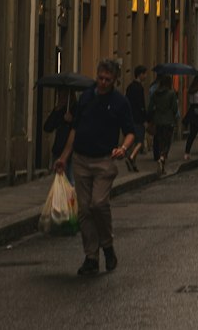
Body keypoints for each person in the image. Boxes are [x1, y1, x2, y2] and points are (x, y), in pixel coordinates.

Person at [55, 58, 135, 276]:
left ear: (115, 80)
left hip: (104, 161)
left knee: (98, 203)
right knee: (84, 210)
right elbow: (75, 129)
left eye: (108, 79)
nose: (103, 82)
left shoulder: (120, 102)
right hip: (81, 159)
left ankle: (107, 246)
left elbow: (130, 131)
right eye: (100, 78)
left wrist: (123, 148)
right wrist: (64, 157)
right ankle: (91, 256)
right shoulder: (87, 97)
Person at [43, 86, 78, 183]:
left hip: (71, 151)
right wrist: (57, 110)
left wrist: (71, 120)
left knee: (70, 179)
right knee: (59, 179)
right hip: (58, 148)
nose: (61, 98)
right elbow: (47, 127)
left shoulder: (76, 109)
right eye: (59, 96)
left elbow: (78, 127)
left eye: (63, 96)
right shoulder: (59, 110)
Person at [147, 73, 180, 173]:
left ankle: (159, 158)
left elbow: (150, 107)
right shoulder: (171, 93)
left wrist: (150, 118)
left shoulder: (155, 93)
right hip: (168, 121)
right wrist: (176, 118)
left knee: (159, 140)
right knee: (167, 142)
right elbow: (174, 108)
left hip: (158, 120)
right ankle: (162, 157)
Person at [124, 65, 147, 171]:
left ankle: (133, 164)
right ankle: (131, 156)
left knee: (132, 139)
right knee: (140, 141)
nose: (145, 76)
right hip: (138, 118)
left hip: (129, 116)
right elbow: (141, 104)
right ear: (140, 74)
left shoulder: (129, 87)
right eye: (144, 74)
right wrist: (145, 118)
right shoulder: (139, 88)